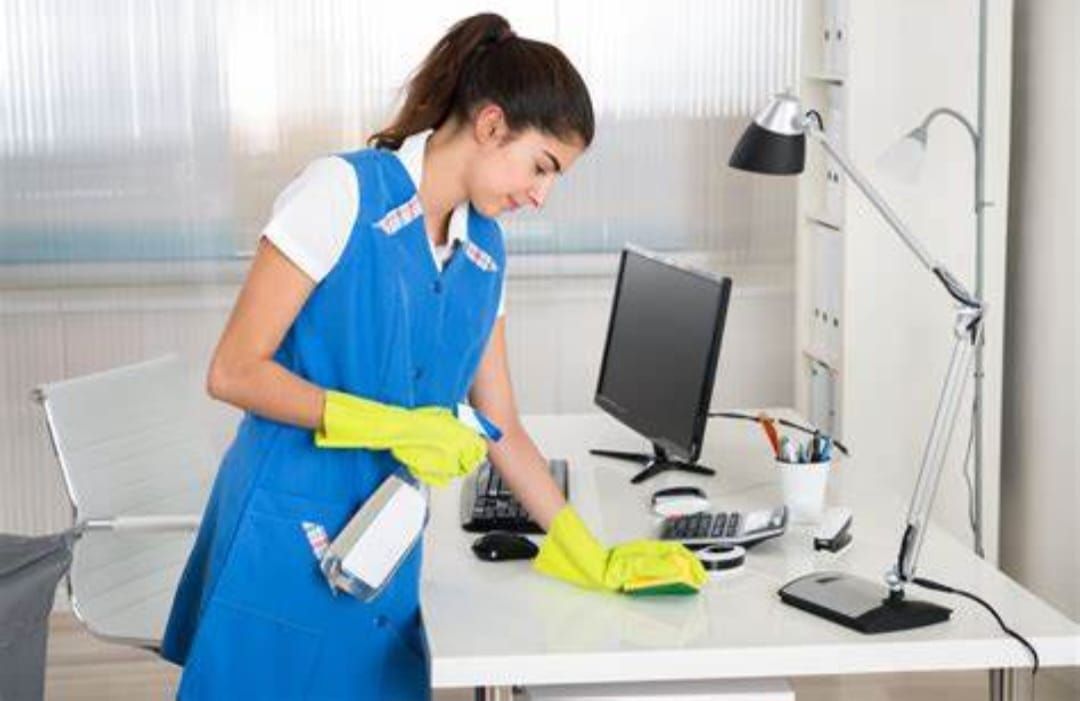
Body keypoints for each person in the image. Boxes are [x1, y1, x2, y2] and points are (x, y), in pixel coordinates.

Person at [161, 12, 704, 699]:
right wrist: (395, 425)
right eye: (542, 166)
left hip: (384, 543)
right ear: (490, 124)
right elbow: (233, 369)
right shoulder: (341, 193)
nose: (541, 194)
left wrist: (585, 548)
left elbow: (499, 415)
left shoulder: (485, 253)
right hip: (284, 526)